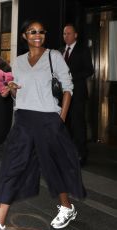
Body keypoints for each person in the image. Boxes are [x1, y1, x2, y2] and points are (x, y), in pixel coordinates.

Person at [0, 19, 86, 230]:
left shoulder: (54, 57)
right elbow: (19, 92)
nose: (37, 35)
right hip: (24, 119)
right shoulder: (17, 62)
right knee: (11, 166)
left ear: (45, 34)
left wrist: (60, 119)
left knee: (52, 167)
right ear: (25, 36)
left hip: (48, 120)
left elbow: (68, 88)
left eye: (41, 32)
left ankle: (67, 208)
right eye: (31, 32)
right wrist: (11, 90)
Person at [62, 24, 94, 167]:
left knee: (78, 125)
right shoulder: (60, 51)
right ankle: (67, 153)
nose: (66, 36)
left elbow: (89, 70)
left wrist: (70, 77)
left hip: (78, 94)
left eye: (69, 33)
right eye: (64, 33)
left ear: (75, 35)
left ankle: (81, 155)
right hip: (63, 95)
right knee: (65, 126)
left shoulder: (83, 50)